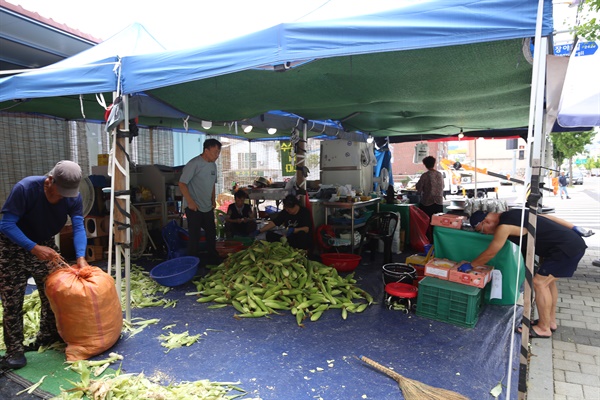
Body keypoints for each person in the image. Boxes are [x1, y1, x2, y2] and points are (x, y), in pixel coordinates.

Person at [0, 160, 89, 370]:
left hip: (44, 243)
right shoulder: (26, 189)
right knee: (12, 300)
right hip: (13, 245)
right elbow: (6, 224)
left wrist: (81, 257)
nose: (62, 199)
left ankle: (47, 336)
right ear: (49, 181)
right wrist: (33, 248)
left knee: (52, 292)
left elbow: (78, 226)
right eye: (59, 194)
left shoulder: (72, 197)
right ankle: (15, 352)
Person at [468, 209, 592, 338]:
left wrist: (471, 265)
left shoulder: (504, 227)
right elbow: (547, 217)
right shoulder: (512, 213)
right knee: (548, 284)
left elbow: (491, 252)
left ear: (486, 221)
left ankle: (544, 329)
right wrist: (573, 227)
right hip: (570, 243)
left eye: (481, 230)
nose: (486, 234)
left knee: (539, 283)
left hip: (564, 248)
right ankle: (550, 322)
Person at [179, 138, 222, 265]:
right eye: (215, 152)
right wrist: (190, 202)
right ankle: (192, 262)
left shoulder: (213, 165)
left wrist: (213, 199)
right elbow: (182, 184)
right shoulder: (194, 164)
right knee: (194, 236)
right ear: (206, 150)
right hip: (194, 207)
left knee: (211, 233)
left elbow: (213, 184)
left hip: (207, 206)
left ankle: (212, 259)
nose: (217, 155)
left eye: (218, 152)